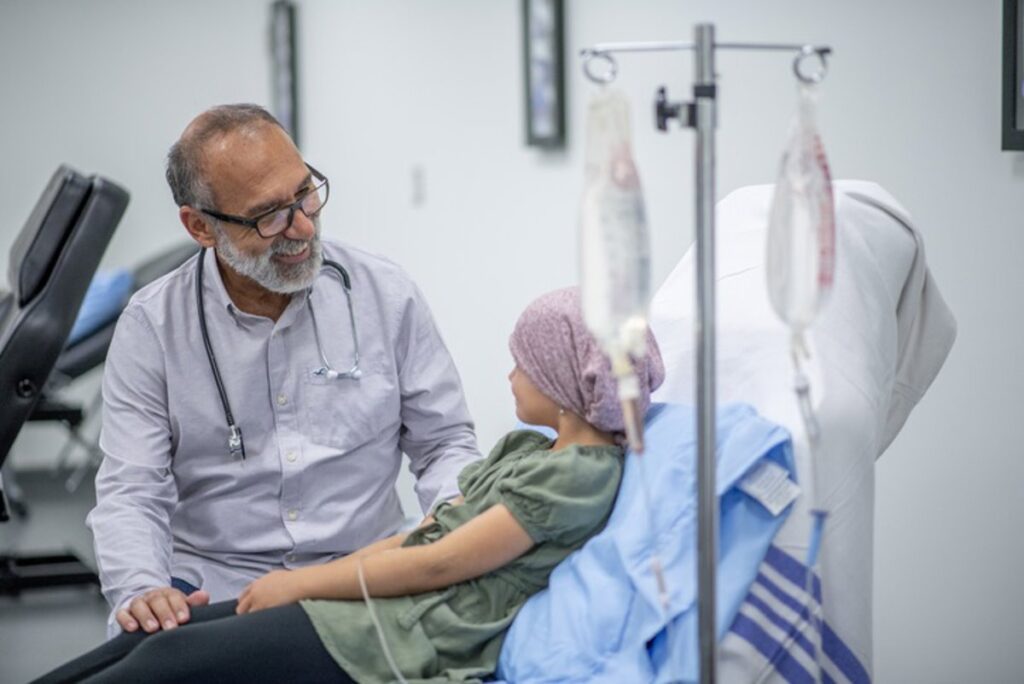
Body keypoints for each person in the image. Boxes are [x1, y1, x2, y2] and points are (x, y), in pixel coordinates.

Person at [37, 287, 665, 684]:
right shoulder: (531, 450)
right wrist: (297, 584)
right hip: (367, 599)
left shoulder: (575, 479)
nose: (508, 374)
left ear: (562, 384)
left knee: (166, 664)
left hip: (405, 632)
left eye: (522, 365)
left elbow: (438, 564)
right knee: (155, 640)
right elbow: (424, 534)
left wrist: (302, 583)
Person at [86, 104, 481, 638]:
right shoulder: (153, 328)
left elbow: (444, 443)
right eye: (268, 215)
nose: (301, 227)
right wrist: (140, 588)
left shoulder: (384, 295)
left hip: (362, 577)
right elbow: (132, 491)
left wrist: (458, 517)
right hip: (216, 591)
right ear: (200, 226)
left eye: (305, 194)